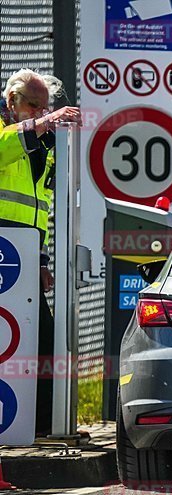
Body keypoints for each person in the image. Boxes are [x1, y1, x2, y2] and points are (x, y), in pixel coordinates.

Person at [0, 69, 81, 435]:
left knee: (44, 338)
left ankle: (46, 423)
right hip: (4, 248)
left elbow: (42, 206)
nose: (39, 113)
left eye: (44, 108)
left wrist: (43, 261)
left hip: (25, 253)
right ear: (11, 100)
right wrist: (43, 123)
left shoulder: (43, 144)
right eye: (34, 106)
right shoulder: (13, 133)